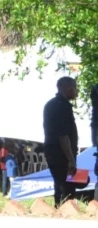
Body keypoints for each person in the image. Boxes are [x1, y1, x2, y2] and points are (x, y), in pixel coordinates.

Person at [43, 77, 80, 207]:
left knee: (59, 184)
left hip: (52, 152)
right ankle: (65, 211)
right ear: (68, 88)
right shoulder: (63, 106)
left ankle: (58, 208)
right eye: (75, 88)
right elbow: (63, 136)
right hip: (62, 155)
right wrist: (71, 159)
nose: (76, 92)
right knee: (67, 187)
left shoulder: (50, 104)